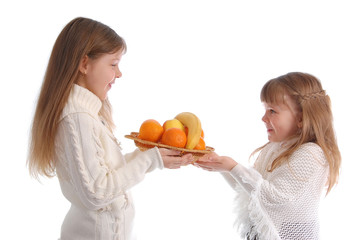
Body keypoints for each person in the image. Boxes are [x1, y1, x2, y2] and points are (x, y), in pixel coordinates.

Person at [27, 17, 193, 240]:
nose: (119, 73)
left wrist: (152, 156)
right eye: (113, 64)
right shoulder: (77, 118)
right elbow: (96, 192)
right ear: (84, 64)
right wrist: (151, 159)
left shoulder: (87, 113)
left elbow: (106, 172)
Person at [196, 72, 341, 240]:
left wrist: (232, 167)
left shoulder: (311, 154)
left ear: (301, 118)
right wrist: (221, 166)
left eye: (272, 111)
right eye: (265, 110)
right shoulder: (275, 148)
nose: (263, 118)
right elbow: (251, 190)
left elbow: (273, 198)